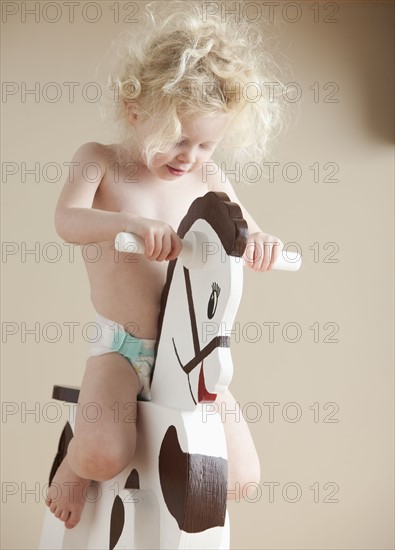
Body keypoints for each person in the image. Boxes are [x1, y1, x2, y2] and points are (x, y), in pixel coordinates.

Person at [45, 0, 285, 529]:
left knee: (240, 476)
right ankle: (73, 462)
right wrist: (126, 224)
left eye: (205, 143)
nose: (190, 156)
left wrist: (262, 242)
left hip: (192, 354)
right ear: (135, 109)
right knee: (105, 451)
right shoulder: (100, 160)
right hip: (122, 348)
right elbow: (67, 220)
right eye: (178, 137)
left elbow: (245, 229)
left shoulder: (208, 177)